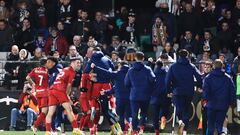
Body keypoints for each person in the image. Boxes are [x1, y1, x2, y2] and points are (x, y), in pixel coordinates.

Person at [166, 49, 202, 135]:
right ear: (188, 56)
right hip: (189, 91)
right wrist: (199, 86)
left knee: (178, 107)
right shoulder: (191, 66)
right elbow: (199, 77)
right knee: (186, 110)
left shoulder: (173, 66)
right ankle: (185, 131)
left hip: (177, 91)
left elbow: (167, 80)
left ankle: (180, 121)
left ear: (179, 56)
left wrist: (169, 90)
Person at [91, 61, 131, 134]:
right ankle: (127, 128)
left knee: (117, 114)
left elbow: (106, 73)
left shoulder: (118, 73)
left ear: (121, 66)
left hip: (119, 98)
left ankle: (120, 129)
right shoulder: (131, 73)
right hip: (130, 98)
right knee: (128, 114)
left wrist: (95, 68)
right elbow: (116, 87)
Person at [45, 57, 82, 135]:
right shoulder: (72, 72)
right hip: (60, 90)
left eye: (80, 63)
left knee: (50, 112)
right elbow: (68, 86)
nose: (79, 64)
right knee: (69, 109)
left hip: (52, 90)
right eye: (77, 62)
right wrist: (67, 96)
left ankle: (48, 131)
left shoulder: (65, 69)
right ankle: (75, 129)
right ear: (72, 63)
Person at [125, 51, 156, 135]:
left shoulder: (130, 70)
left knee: (134, 113)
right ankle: (141, 128)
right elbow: (153, 80)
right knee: (144, 113)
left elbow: (126, 83)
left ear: (135, 58)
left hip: (134, 95)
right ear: (143, 58)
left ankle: (134, 130)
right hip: (145, 95)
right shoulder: (148, 69)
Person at [203, 59, 236, 135]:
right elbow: (232, 91)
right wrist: (232, 102)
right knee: (219, 125)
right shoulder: (228, 78)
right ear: (222, 66)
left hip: (211, 105)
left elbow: (205, 92)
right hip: (223, 105)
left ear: (213, 66)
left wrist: (206, 100)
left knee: (210, 125)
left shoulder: (208, 78)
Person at [26, 58, 49, 134]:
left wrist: (33, 84)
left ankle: (48, 130)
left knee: (42, 112)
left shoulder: (35, 69)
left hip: (38, 93)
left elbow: (27, 78)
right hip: (45, 92)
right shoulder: (47, 71)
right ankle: (35, 125)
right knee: (45, 112)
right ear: (45, 64)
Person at [150, 60, 169, 135]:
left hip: (154, 96)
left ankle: (156, 131)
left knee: (155, 114)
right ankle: (162, 117)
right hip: (164, 95)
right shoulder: (166, 73)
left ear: (156, 65)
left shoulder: (153, 74)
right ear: (163, 65)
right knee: (163, 110)